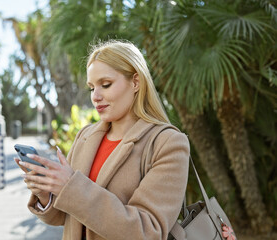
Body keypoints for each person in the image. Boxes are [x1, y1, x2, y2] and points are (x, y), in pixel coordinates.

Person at [15, 40, 190, 240]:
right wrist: (46, 194)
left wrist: (69, 187)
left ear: (136, 82)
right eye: (91, 88)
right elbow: (67, 217)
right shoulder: (85, 136)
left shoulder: (167, 143)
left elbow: (147, 231)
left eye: (105, 85)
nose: (96, 97)